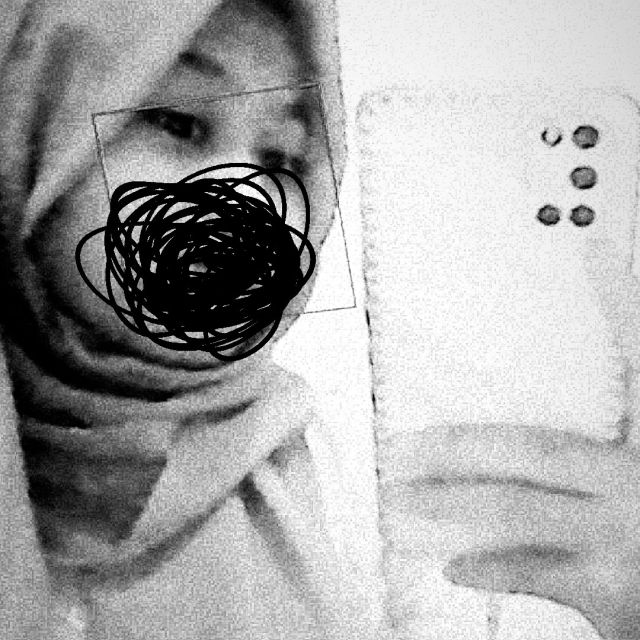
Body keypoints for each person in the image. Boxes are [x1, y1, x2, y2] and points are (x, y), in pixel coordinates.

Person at [0, 1, 382, 639]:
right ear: (32, 123)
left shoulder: (342, 489)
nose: (246, 195)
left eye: (282, 158)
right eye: (178, 122)